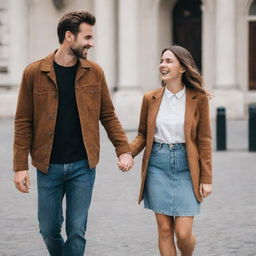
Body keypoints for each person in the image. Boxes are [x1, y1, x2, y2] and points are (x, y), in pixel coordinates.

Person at [13, 10, 133, 256]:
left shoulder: (95, 72)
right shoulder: (34, 73)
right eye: (87, 37)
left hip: (83, 166)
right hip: (48, 166)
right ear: (69, 36)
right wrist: (20, 166)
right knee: (48, 228)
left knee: (77, 231)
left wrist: (124, 150)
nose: (91, 43)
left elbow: (108, 115)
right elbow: (23, 121)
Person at [120, 45, 212, 256]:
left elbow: (204, 140)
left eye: (169, 61)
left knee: (183, 233)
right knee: (164, 229)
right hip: (157, 165)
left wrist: (206, 178)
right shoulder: (150, 98)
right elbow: (143, 134)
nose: (163, 65)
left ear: (182, 68)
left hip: (187, 166)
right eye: (162, 60)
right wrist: (127, 153)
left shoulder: (198, 98)